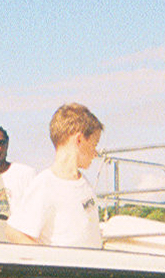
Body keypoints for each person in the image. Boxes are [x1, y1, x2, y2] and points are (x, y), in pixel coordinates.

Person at [6, 103, 104, 248]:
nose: (95, 153)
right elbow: (14, 232)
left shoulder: (84, 183)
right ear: (79, 140)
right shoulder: (45, 184)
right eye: (94, 144)